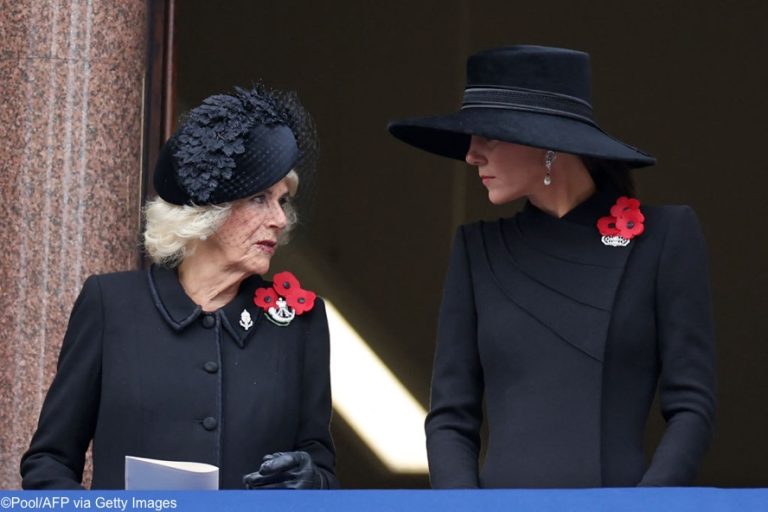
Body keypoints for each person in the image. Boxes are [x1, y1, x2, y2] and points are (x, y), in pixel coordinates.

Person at [388, 45, 715, 488]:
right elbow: (450, 419)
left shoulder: (663, 238)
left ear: (546, 144)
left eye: (489, 135)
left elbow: (691, 405)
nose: (470, 155)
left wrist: (645, 507)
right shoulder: (476, 249)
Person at [21, 85, 337, 490]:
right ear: (207, 211)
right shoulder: (111, 305)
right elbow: (49, 461)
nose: (279, 219)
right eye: (260, 198)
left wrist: (312, 481)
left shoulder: (299, 322)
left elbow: (321, 464)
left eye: (282, 201)